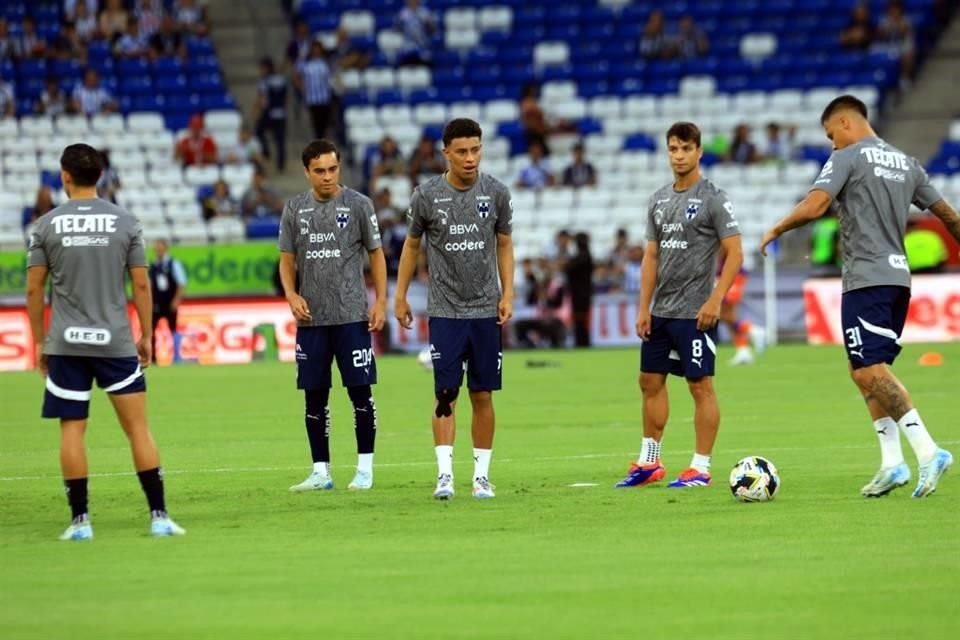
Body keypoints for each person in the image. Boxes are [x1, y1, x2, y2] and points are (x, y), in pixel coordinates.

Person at [760, 94, 960, 498]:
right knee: (863, 369)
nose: (832, 142)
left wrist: (777, 228)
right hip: (898, 280)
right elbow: (949, 217)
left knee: (870, 370)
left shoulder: (848, 156)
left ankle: (927, 450)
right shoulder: (907, 163)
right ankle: (892, 463)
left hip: (866, 278)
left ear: (846, 123)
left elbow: (816, 205)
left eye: (831, 134)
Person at [25, 143, 185, 540]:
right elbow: (142, 283)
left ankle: (80, 522)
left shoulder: (45, 225)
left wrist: (38, 341)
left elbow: (33, 291)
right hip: (115, 343)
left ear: (64, 176)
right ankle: (159, 516)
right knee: (138, 430)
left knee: (72, 431)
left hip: (66, 344)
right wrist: (146, 336)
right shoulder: (125, 222)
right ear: (100, 176)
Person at [616, 121, 743, 490]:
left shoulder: (714, 198)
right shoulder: (658, 199)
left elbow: (734, 252)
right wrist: (644, 308)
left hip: (695, 312)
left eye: (686, 148)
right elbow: (651, 256)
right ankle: (649, 462)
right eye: (673, 148)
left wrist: (716, 299)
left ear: (699, 152)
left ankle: (700, 468)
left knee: (699, 385)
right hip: (661, 311)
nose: (679, 155)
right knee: (649, 382)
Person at [394, 118, 515, 500]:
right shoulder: (427, 196)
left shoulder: (496, 193)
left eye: (475, 149)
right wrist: (399, 296)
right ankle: (444, 474)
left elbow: (505, 244)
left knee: (483, 394)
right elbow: (412, 246)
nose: (469, 158)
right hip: (444, 310)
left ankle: (481, 477)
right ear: (445, 153)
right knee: (446, 392)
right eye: (461, 151)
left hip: (484, 309)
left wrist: (507, 292)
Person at [279, 139, 387, 492]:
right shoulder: (295, 208)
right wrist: (291, 293)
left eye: (333, 169)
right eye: (320, 171)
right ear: (307, 171)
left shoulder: (358, 204)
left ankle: (365, 470)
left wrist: (381, 300)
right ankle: (321, 472)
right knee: (314, 397)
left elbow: (376, 253)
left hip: (351, 316)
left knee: (360, 394)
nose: (327, 177)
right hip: (312, 321)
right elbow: (286, 259)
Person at [719, 261, 765, 366]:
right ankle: (743, 351)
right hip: (728, 277)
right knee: (728, 318)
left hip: (731, 277)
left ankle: (752, 330)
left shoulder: (723, 249)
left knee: (724, 316)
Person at [149, 238, 187, 362]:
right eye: (156, 248)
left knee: (173, 330)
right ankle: (153, 358)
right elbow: (149, 285)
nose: (158, 250)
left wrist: (176, 301)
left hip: (170, 303)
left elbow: (181, 283)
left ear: (165, 248)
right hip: (156, 303)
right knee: (151, 331)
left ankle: (176, 356)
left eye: (160, 247)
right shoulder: (152, 266)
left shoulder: (173, 264)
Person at [255, 57, 288, 172]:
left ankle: (266, 152)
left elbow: (263, 98)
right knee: (280, 140)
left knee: (258, 130)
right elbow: (285, 96)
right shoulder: (281, 79)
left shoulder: (264, 81)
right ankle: (281, 164)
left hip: (269, 112)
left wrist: (257, 111)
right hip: (281, 113)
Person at [295, 40, 333, 140]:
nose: (316, 51)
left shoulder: (326, 63)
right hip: (312, 99)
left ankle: (322, 140)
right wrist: (302, 87)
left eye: (318, 49)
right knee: (316, 123)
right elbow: (297, 76)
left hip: (325, 98)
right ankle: (318, 141)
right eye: (314, 49)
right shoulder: (306, 64)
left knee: (324, 123)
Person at [565, 232, 593, 347]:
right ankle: (583, 341)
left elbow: (567, 269)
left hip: (579, 294)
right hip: (584, 293)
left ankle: (581, 342)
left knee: (580, 319)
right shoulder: (587, 257)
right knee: (582, 320)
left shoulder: (581, 258)